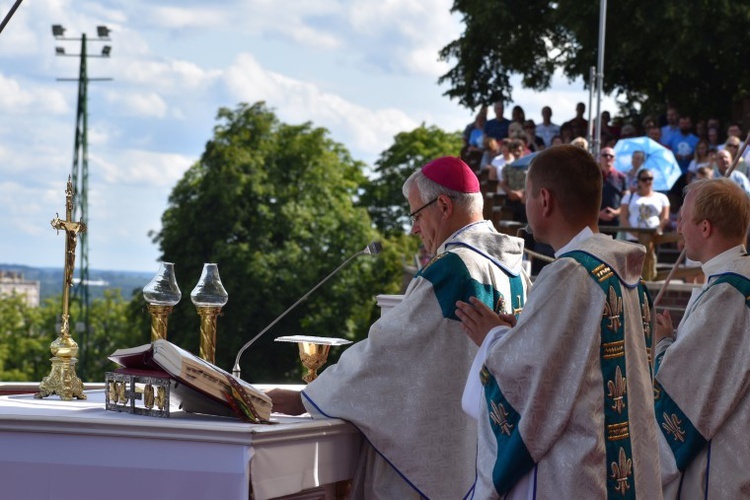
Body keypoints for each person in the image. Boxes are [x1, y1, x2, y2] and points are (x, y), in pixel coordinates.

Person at [267, 156, 531, 499]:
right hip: (487, 453)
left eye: (417, 215)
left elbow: (385, 353)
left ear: (445, 206)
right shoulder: (516, 272)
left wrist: (307, 397)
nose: (414, 228)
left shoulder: (452, 269)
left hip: (439, 461)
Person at [455, 145, 661, 498]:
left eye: (529, 196)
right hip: (616, 469)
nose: (526, 207)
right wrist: (517, 331)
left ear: (545, 200)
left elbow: (532, 381)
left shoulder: (570, 274)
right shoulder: (628, 277)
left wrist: (491, 337)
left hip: (575, 474)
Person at [654, 178, 750, 498]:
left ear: (705, 228)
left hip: (722, 467)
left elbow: (685, 389)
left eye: (683, 218)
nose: (678, 227)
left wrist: (663, 343)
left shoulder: (729, 292)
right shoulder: (733, 278)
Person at [620, 168, 670, 242]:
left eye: (650, 178)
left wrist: (658, 229)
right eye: (644, 179)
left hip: (653, 238)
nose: (648, 181)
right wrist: (634, 233)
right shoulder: (628, 197)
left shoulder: (662, 197)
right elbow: (623, 218)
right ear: (639, 181)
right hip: (632, 238)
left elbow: (665, 218)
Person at [598, 146, 628, 226]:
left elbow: (626, 199)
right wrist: (598, 214)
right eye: (605, 155)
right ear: (599, 158)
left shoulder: (622, 177)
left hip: (615, 221)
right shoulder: (592, 176)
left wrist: (616, 212)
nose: (608, 157)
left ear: (614, 159)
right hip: (596, 221)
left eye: (611, 156)